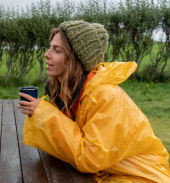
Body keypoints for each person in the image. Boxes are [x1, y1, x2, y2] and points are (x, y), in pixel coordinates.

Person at [18, 20, 170, 182]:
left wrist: (44, 113)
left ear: (75, 58)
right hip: (105, 171)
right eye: (50, 47)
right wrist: (40, 112)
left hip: (140, 175)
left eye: (57, 50)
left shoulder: (105, 96)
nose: (46, 54)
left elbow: (90, 158)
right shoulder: (66, 91)